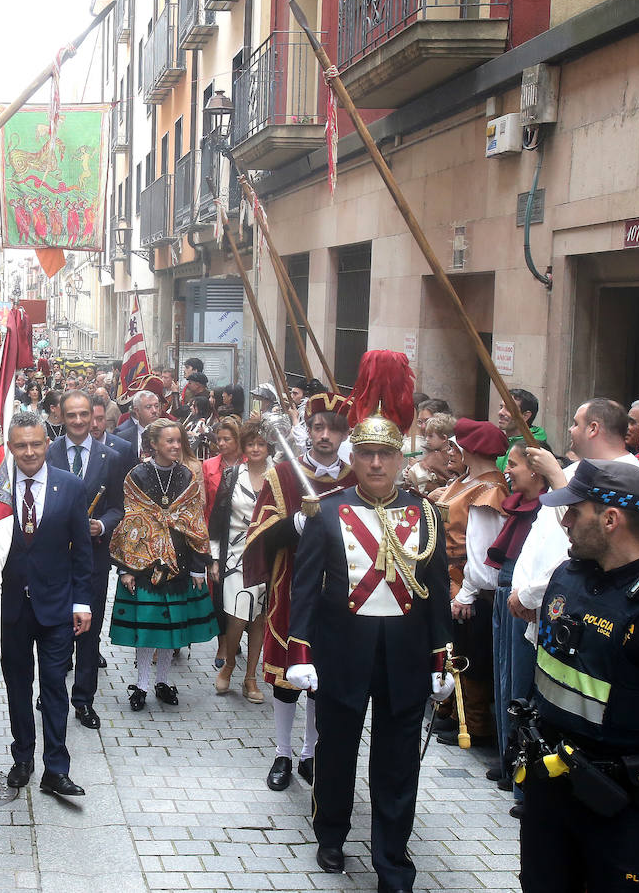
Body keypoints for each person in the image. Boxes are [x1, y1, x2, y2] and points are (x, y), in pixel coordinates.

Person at [284, 351, 453, 892]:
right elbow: (305, 589)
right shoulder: (327, 512)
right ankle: (331, 831)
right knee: (336, 751)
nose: (376, 464)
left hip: (404, 654)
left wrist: (440, 657)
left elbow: (437, 596)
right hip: (341, 649)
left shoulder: (426, 513)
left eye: (385, 455)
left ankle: (392, 860)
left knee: (398, 762)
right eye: (367, 455)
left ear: (400, 458)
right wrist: (299, 653)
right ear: (354, 457)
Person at [518, 460, 639, 893]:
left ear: (611, 519)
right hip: (548, 789)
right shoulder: (565, 577)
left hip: (618, 806)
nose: (565, 522)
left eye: (574, 511)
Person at [244, 392, 357, 791]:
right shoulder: (284, 475)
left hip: (343, 591)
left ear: (345, 433)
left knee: (322, 676)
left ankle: (311, 752)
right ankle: (283, 752)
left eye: (334, 428)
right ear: (307, 431)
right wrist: (293, 523)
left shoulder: (356, 477)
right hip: (292, 583)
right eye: (318, 427)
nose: (325, 435)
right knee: (286, 675)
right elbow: (258, 532)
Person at [0, 412, 93, 798]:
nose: (29, 452)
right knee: (18, 686)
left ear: (47, 444)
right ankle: (23, 757)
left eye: (36, 444)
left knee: (54, 686)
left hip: (56, 606)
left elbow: (82, 553)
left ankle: (56, 768)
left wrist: (82, 602)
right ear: (10, 447)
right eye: (21, 445)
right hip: (12, 609)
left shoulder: (70, 487)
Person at [511, 399, 639, 635]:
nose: (569, 429)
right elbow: (541, 535)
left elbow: (584, 539)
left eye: (575, 424)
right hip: (529, 603)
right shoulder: (575, 470)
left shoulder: (629, 477)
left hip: (565, 605)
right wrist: (520, 589)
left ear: (593, 428)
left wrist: (531, 594)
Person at [109, 419, 216, 711]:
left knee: (171, 628)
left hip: (179, 564)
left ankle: (163, 681)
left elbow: (194, 522)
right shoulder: (137, 475)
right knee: (148, 628)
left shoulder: (187, 477)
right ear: (154, 443)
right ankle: (142, 684)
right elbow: (130, 522)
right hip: (145, 565)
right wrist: (126, 569)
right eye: (169, 441)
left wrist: (198, 567)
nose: (176, 446)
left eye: (179, 441)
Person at [46, 391, 124, 729]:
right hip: (54, 559)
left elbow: (120, 507)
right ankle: (49, 692)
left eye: (84, 415)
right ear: (62, 417)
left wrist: (103, 524)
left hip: (93, 559)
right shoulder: (46, 453)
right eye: (71, 415)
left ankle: (83, 700)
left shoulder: (112, 457)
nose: (78, 421)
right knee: (52, 628)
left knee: (89, 633)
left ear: (95, 416)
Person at [430, 420, 508, 748]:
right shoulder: (467, 480)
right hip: (447, 576)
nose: (451, 451)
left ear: (469, 450)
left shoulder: (491, 491)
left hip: (466, 582)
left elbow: (483, 552)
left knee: (469, 654)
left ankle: (475, 723)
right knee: (452, 649)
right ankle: (449, 711)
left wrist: (466, 591)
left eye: (455, 446)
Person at [485, 442, 546, 813]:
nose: (509, 470)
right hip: (508, 590)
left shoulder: (548, 511)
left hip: (525, 598)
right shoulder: (520, 506)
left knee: (521, 683)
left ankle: (521, 767)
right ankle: (509, 756)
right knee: (505, 677)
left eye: (517, 464)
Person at [208, 419, 273, 701]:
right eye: (251, 444)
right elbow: (217, 519)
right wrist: (213, 557)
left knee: (259, 617)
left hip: (270, 556)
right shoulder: (233, 475)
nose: (256, 448)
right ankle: (230, 663)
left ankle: (250, 677)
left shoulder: (279, 475)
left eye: (261, 444)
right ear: (244, 447)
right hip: (234, 554)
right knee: (236, 612)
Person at [496, 388, 549, 472]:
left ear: (525, 416)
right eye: (501, 407)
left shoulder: (532, 448)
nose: (501, 412)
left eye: (508, 408)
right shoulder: (499, 441)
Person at [114, 386, 162, 463]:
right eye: (148, 407)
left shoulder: (169, 434)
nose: (154, 411)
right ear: (137, 411)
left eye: (156, 406)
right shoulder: (123, 437)